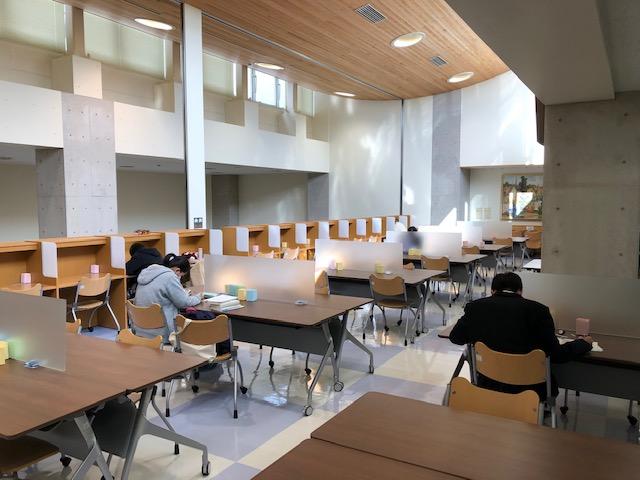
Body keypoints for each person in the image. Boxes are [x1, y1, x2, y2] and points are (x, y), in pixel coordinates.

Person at [449, 272, 592, 399]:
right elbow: (557, 355)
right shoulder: (539, 311)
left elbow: (456, 338)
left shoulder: (475, 308)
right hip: (530, 390)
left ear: (492, 291)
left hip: (488, 384)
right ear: (520, 291)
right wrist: (583, 343)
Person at [134, 254, 202, 342]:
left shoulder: (147, 274)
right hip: (162, 332)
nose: (180, 278)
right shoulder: (170, 277)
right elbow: (184, 303)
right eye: (181, 276)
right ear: (177, 270)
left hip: (141, 329)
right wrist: (199, 297)